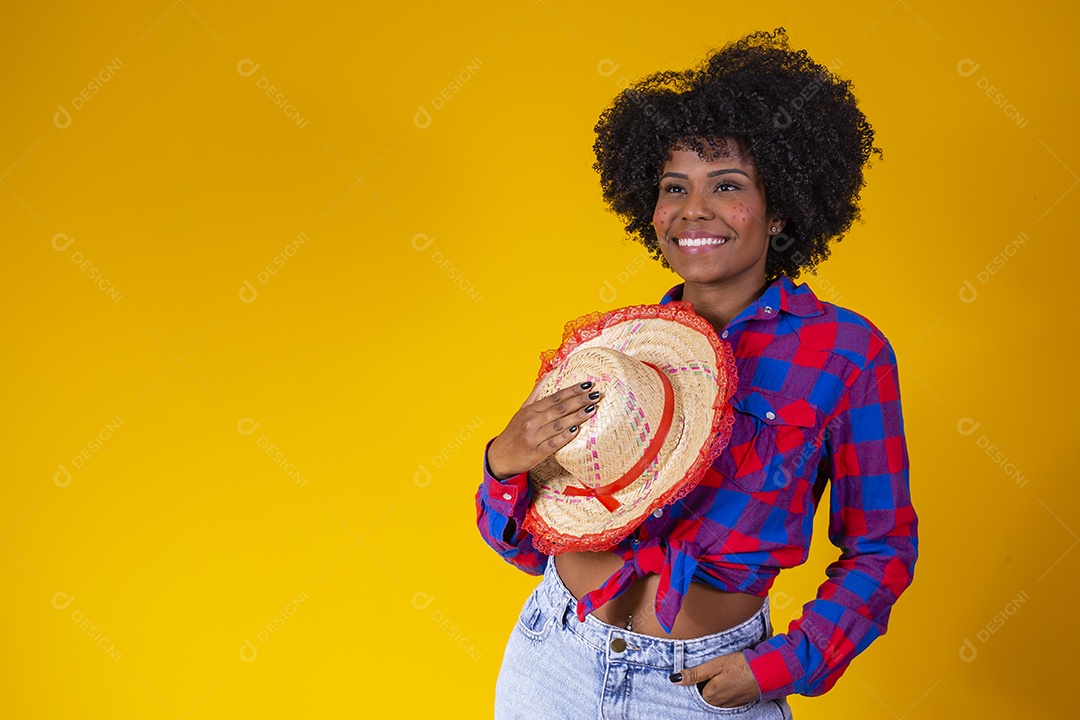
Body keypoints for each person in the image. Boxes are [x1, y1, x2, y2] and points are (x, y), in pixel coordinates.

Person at [475, 27, 918, 719]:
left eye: (728, 185)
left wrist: (782, 666)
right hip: (553, 657)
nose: (693, 211)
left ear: (782, 211)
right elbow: (528, 548)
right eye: (673, 187)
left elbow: (882, 549)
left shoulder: (846, 354)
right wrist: (503, 464)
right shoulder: (619, 353)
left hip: (700, 691)